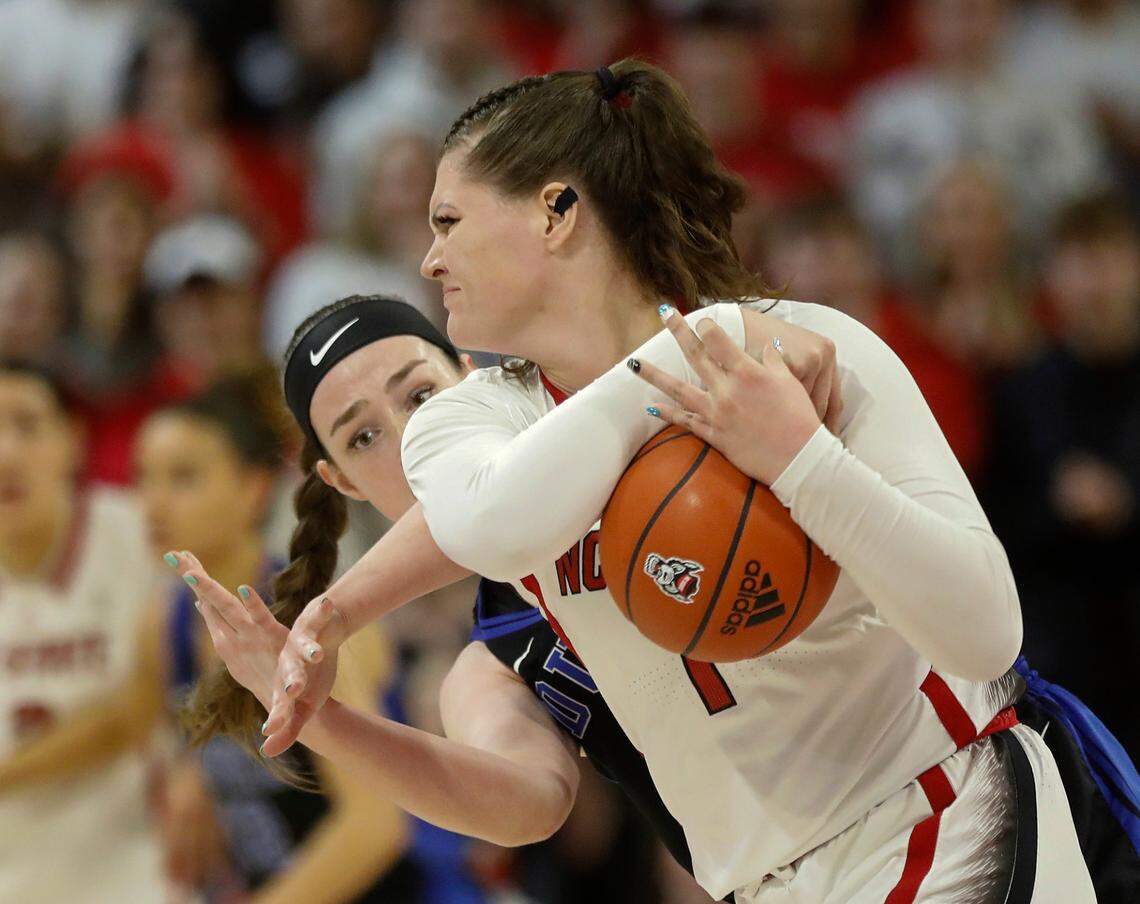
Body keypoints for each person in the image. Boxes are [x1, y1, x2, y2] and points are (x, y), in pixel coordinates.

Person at [184, 61, 1103, 902]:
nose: (428, 258)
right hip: (765, 882)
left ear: (555, 210)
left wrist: (801, 459)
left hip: (943, 816)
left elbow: (986, 635)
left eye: (449, 220)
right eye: (360, 434)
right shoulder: (476, 425)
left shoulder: (811, 350)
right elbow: (491, 526)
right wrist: (692, 353)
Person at [135, 373, 422, 903]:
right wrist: (186, 775)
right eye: (143, 477)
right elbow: (149, 735)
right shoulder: (165, 622)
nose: (152, 503)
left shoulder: (313, 622)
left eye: (182, 478)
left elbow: (376, 827)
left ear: (253, 488)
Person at [0, 360, 165, 901]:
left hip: (137, 868)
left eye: (27, 425)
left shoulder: (142, 535)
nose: (7, 454)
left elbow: (132, 711)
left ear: (73, 439)